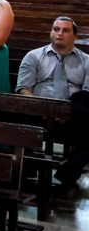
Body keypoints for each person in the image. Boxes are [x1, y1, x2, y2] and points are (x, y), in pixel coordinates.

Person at [16, 18, 89, 187]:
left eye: (65, 30)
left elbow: (87, 93)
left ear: (75, 35)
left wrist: (67, 112)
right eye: (56, 29)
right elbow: (23, 88)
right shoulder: (33, 56)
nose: (59, 33)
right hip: (38, 111)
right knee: (13, 118)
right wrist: (42, 109)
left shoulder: (86, 61)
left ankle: (69, 172)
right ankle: (25, 169)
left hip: (74, 115)